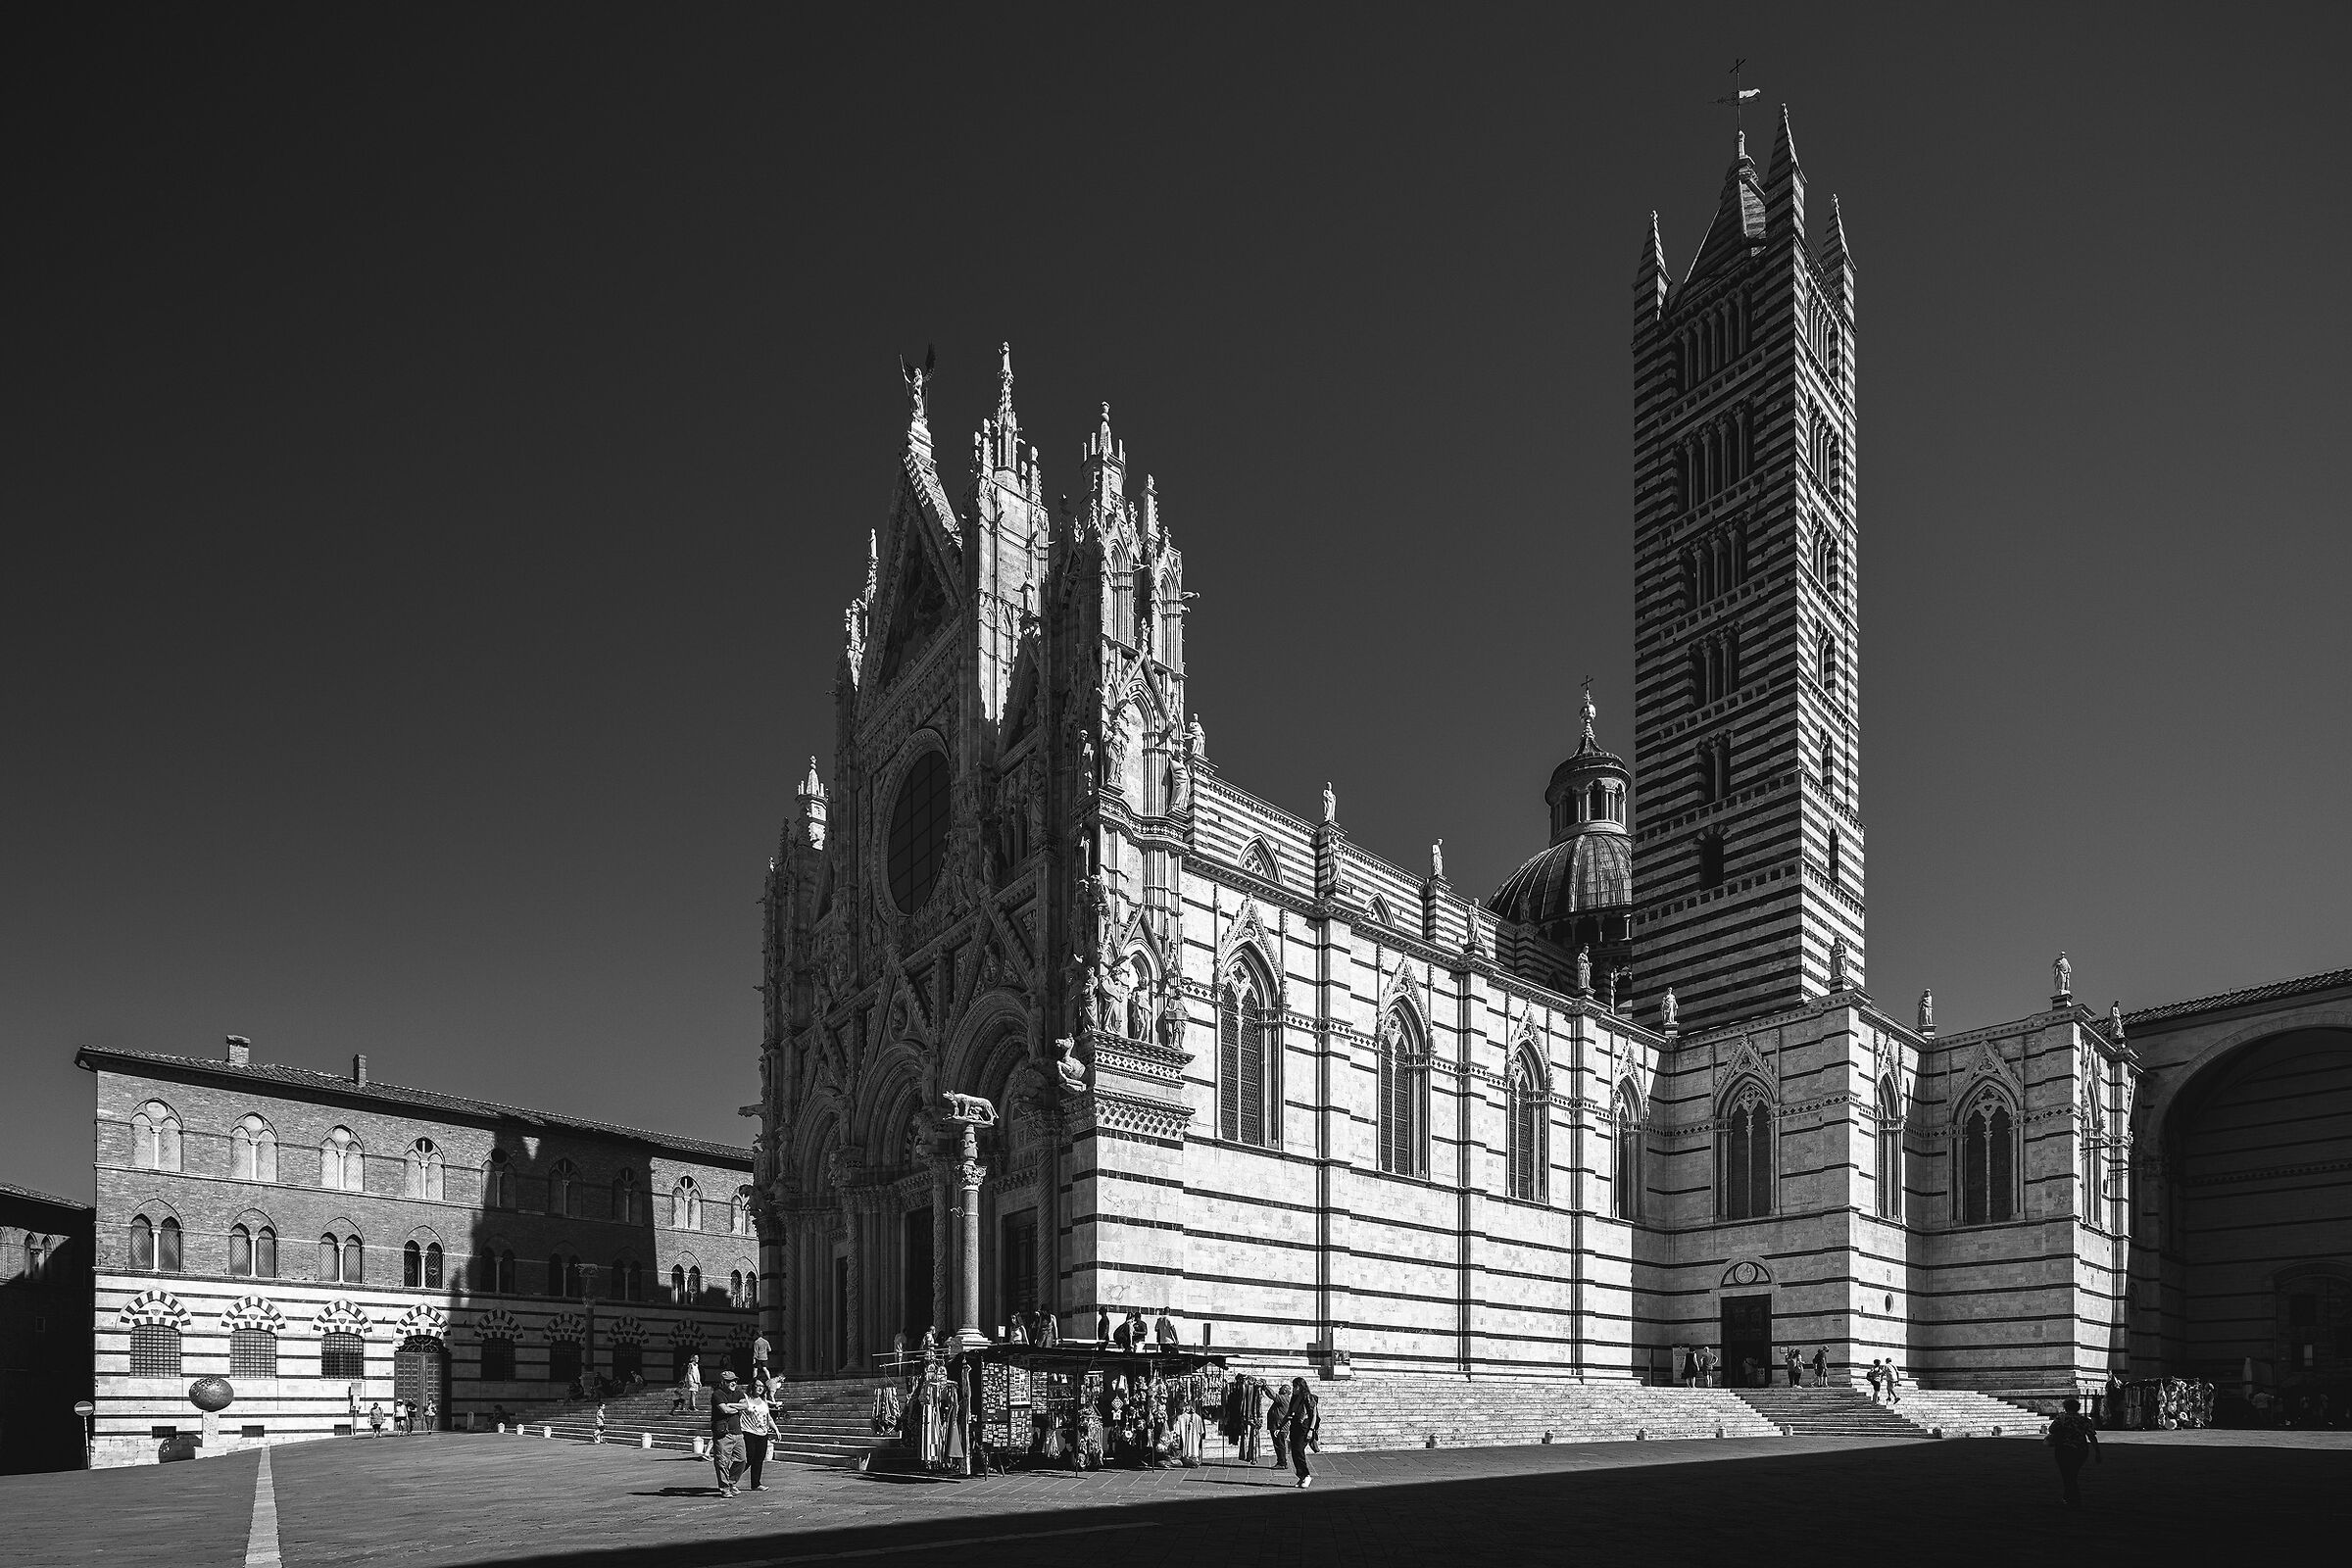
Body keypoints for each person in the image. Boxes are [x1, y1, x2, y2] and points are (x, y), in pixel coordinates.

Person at [2046, 1396, 2100, 1506]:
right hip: (2081, 1450)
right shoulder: (2085, 1420)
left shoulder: (2061, 1418)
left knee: (2067, 1474)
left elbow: (2051, 1429)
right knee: (2072, 1474)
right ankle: (2070, 1498)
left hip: (2063, 1449)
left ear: (2065, 1407)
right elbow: (2091, 1437)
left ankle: (2072, 1498)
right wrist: (2097, 1452)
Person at [710, 1370, 749, 1497]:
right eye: (730, 1381)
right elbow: (724, 1409)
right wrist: (736, 1408)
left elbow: (745, 1406)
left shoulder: (739, 1393)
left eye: (735, 1380)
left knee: (742, 1459)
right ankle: (725, 1488)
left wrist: (731, 1405)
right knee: (722, 1462)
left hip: (738, 1433)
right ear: (723, 1382)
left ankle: (732, 1482)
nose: (733, 1383)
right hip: (723, 1434)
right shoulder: (717, 1394)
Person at [737, 1376, 778, 1492]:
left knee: (759, 1459)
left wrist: (776, 1429)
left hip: (762, 1433)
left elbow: (768, 1417)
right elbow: (738, 1411)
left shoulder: (763, 1401)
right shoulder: (745, 1398)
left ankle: (756, 1483)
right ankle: (731, 1478)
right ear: (752, 1386)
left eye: (762, 1386)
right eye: (758, 1386)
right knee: (749, 1458)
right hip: (748, 1432)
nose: (760, 1388)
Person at [1285, 1378, 1319, 1489]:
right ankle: (1301, 1476)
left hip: (1305, 1427)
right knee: (1294, 1452)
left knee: (1299, 1450)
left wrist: (1311, 1430)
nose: (1293, 1389)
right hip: (1294, 1427)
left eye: (1295, 1386)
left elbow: (1314, 1415)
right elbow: (1290, 1413)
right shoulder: (1294, 1399)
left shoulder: (1309, 1397)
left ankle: (1306, 1475)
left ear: (1301, 1387)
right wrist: (1280, 1426)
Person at [1266, 1382, 1292, 1470]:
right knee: (1278, 1444)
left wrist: (1265, 1385)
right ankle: (1281, 1461)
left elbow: (1273, 1395)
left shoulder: (1284, 1398)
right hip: (1277, 1426)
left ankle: (1282, 1463)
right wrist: (1264, 1389)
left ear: (1285, 1390)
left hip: (1279, 1426)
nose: (1279, 1389)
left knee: (1279, 1445)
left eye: (1281, 1388)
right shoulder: (1282, 1399)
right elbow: (1271, 1396)